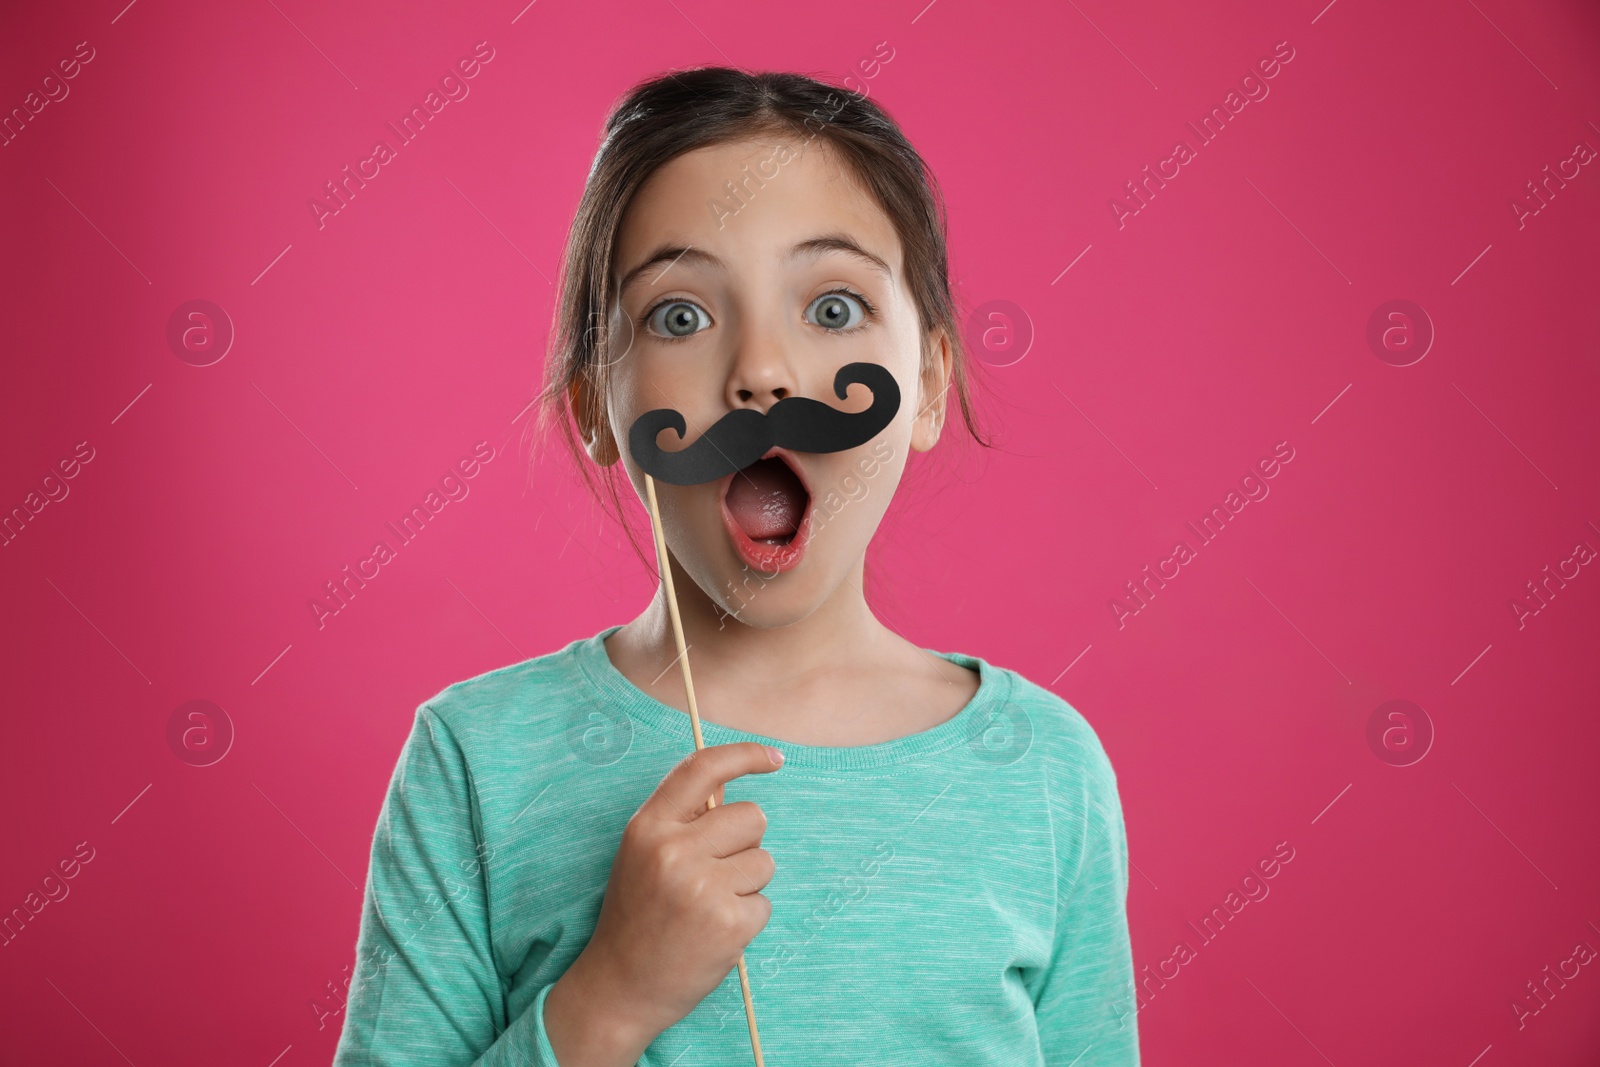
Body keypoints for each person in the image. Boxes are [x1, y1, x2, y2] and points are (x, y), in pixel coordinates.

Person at [331, 66, 1139, 1067]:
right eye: (679, 315)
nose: (760, 371)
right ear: (593, 403)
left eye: (833, 308)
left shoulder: (1045, 769)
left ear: (928, 383)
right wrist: (610, 997)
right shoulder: (475, 760)